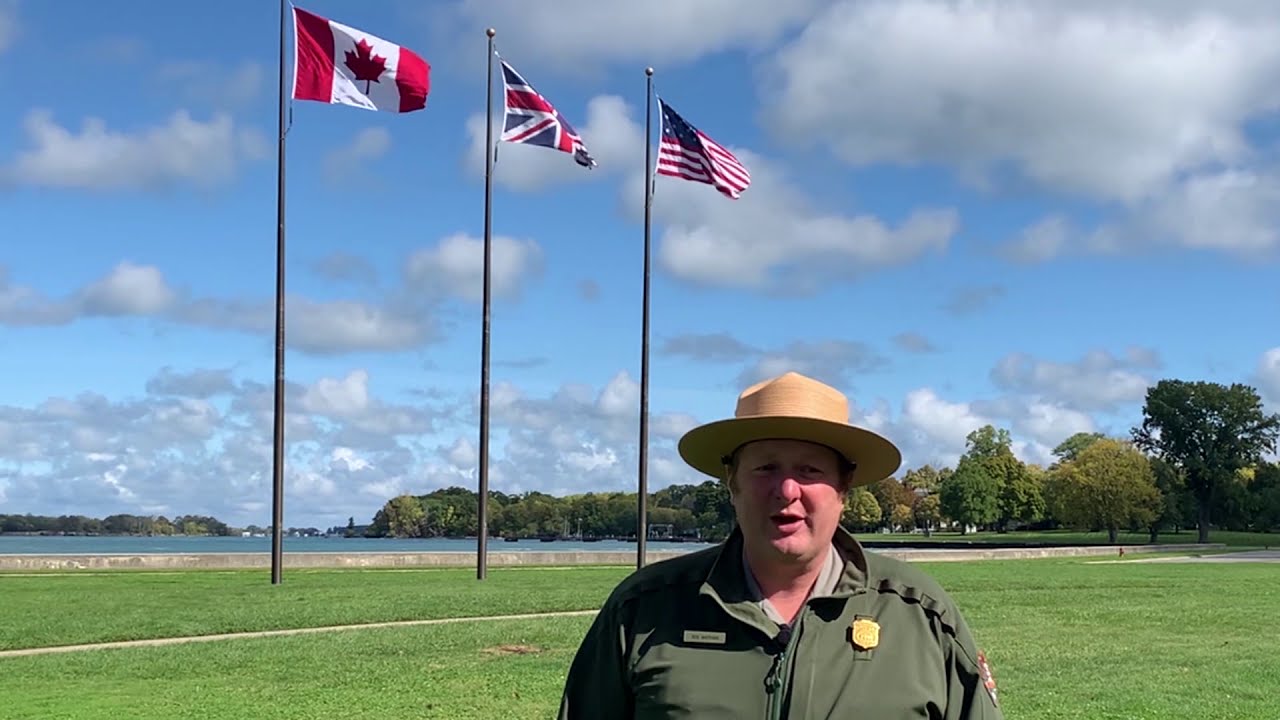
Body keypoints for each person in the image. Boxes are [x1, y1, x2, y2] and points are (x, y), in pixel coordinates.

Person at [557, 371, 1003, 719]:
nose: (787, 490)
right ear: (732, 482)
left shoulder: (919, 615)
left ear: (843, 487)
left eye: (810, 471)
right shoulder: (642, 611)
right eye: (765, 468)